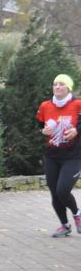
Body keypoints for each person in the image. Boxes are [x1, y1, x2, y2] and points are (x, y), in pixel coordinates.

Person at [36, 74, 81, 237]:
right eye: (55, 84)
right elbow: (38, 125)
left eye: (62, 84)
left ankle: (77, 214)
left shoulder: (78, 104)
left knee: (63, 190)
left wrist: (77, 130)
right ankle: (65, 225)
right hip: (52, 156)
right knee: (54, 192)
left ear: (68, 87)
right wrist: (43, 131)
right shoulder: (45, 106)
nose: (57, 87)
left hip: (73, 156)